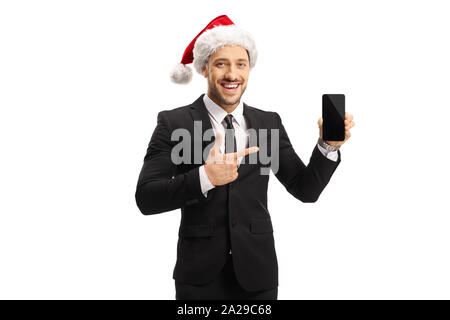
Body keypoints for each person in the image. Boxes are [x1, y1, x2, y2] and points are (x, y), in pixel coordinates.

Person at [135, 15, 355, 300]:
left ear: (249, 69)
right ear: (204, 68)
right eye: (221, 64)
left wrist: (328, 146)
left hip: (258, 276)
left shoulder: (268, 123)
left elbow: (305, 189)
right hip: (198, 279)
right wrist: (205, 177)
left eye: (241, 64)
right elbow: (146, 197)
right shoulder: (173, 122)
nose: (232, 74)